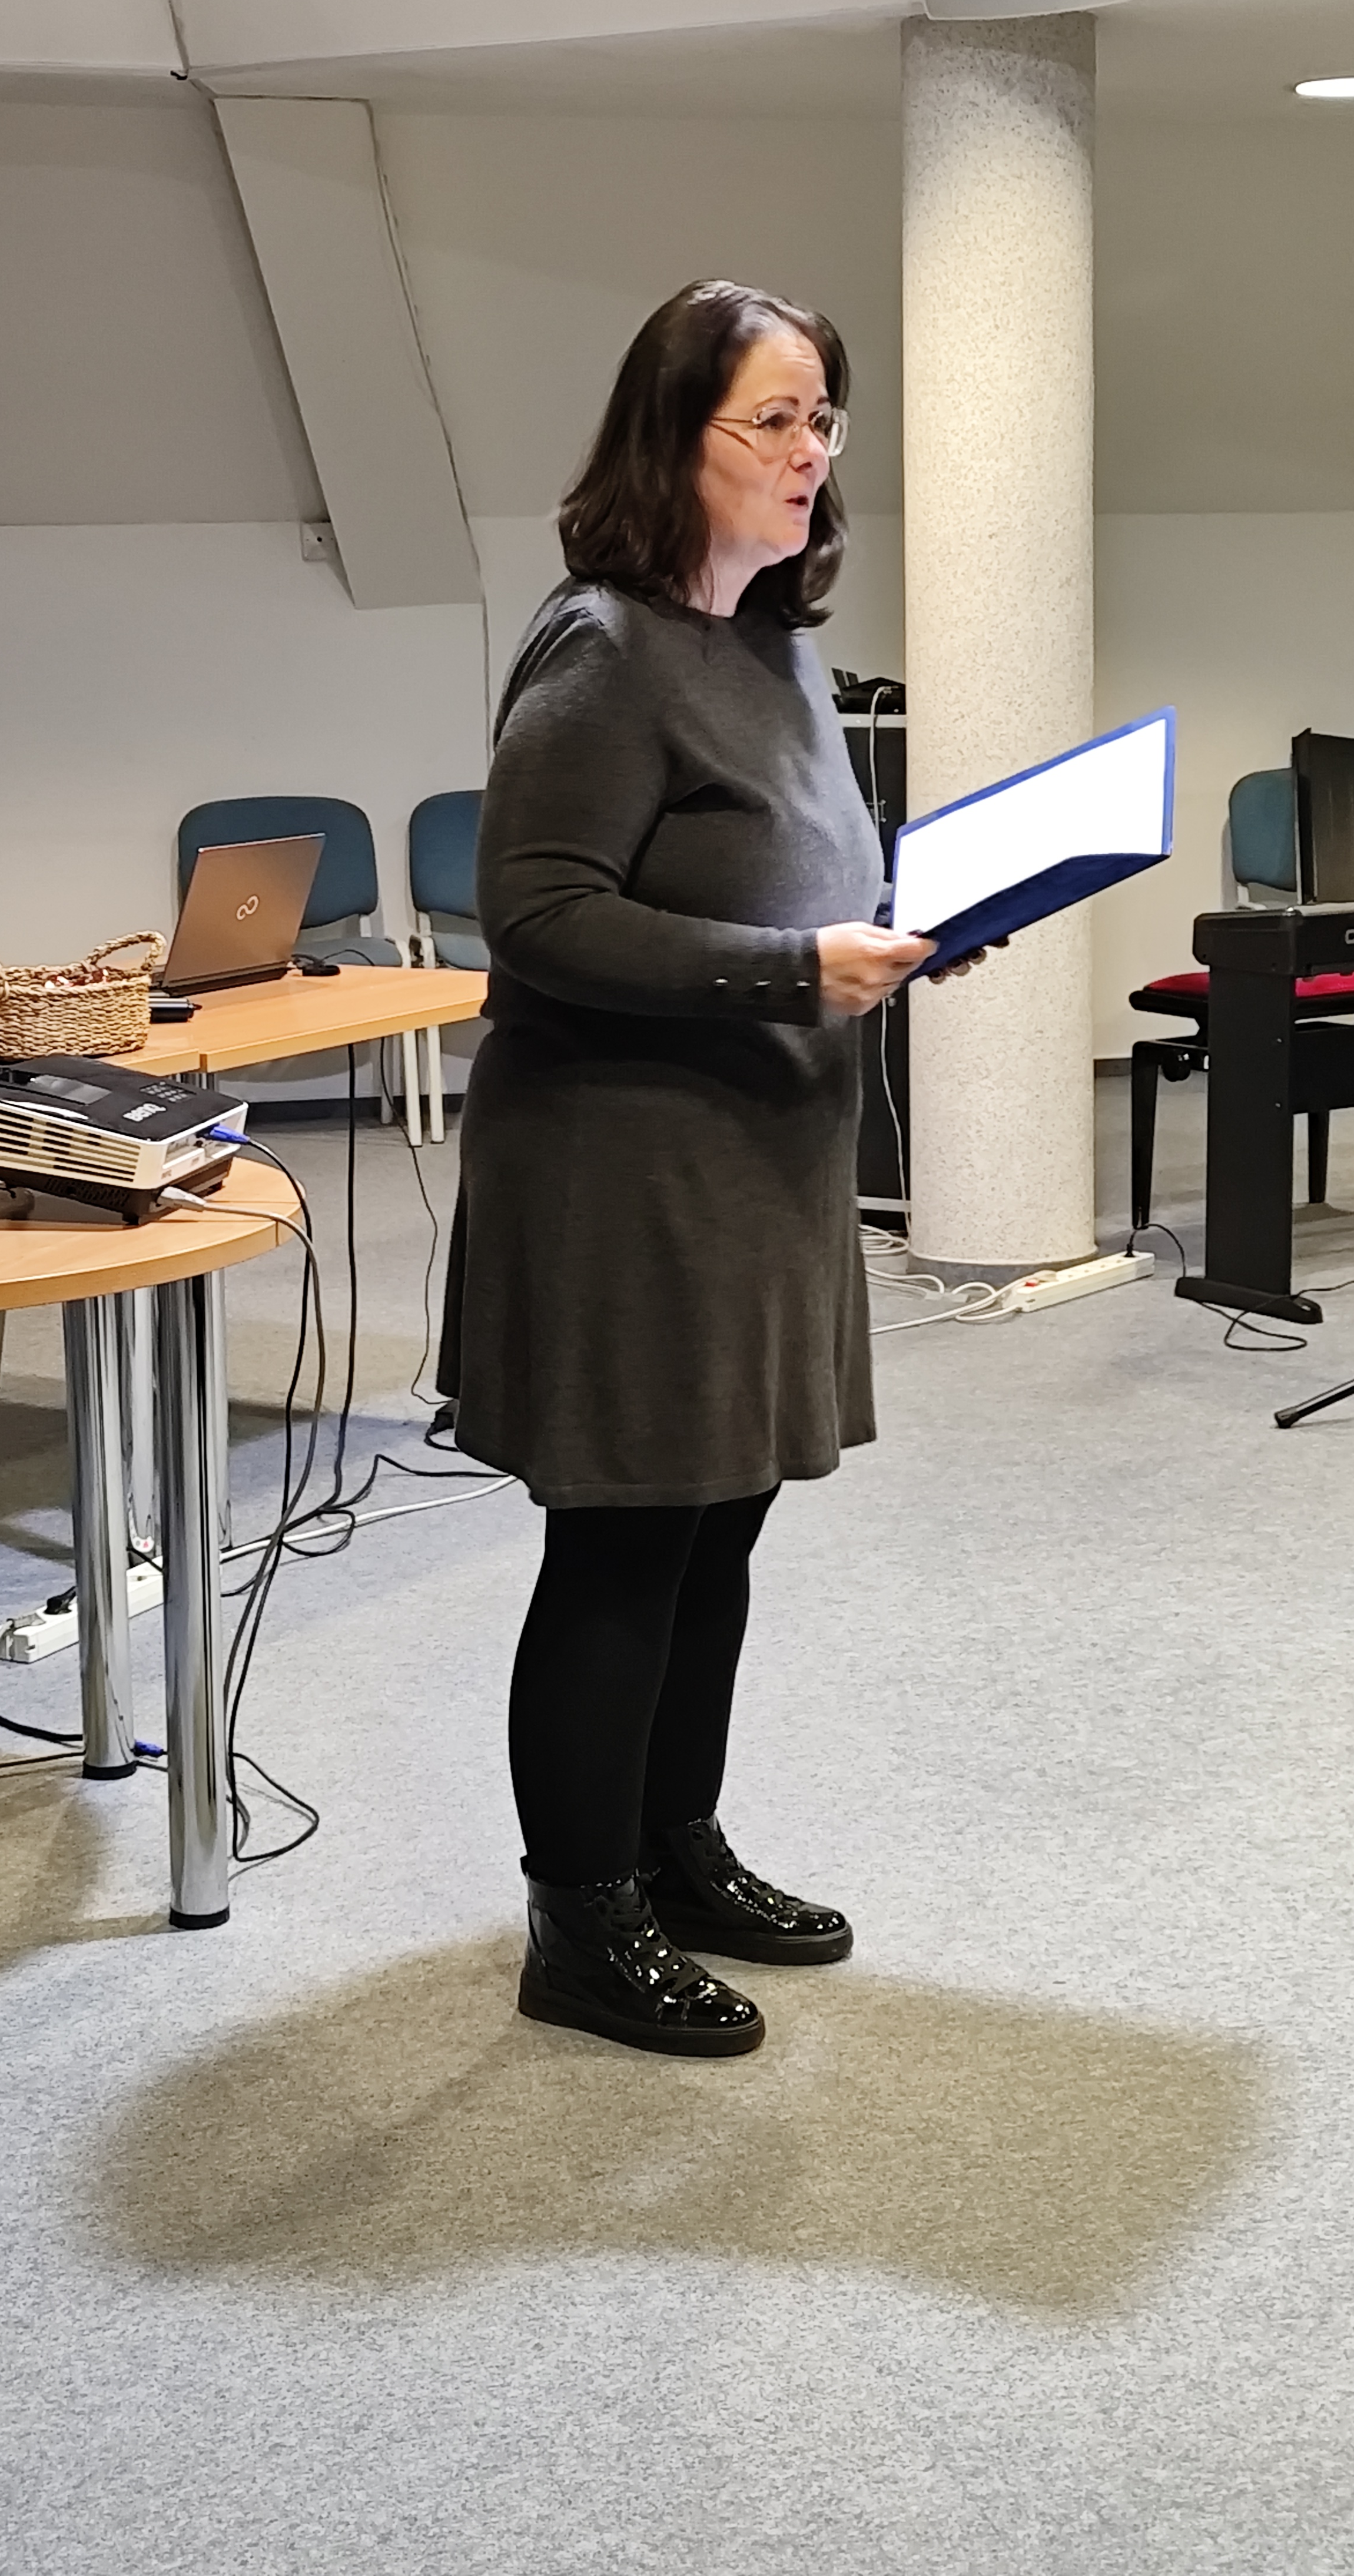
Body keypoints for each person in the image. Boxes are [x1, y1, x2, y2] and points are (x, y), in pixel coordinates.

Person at [439, 278, 986, 2060]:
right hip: (626, 1173)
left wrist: (906, 932)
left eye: (826, 418)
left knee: (722, 1526)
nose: (812, 450)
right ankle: (579, 1920)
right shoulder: (605, 647)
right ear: (674, 439)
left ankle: (674, 1850)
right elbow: (535, 917)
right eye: (775, 419)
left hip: (760, 1161)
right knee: (626, 1542)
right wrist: (790, 969)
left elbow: (796, 873)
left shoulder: (773, 645)